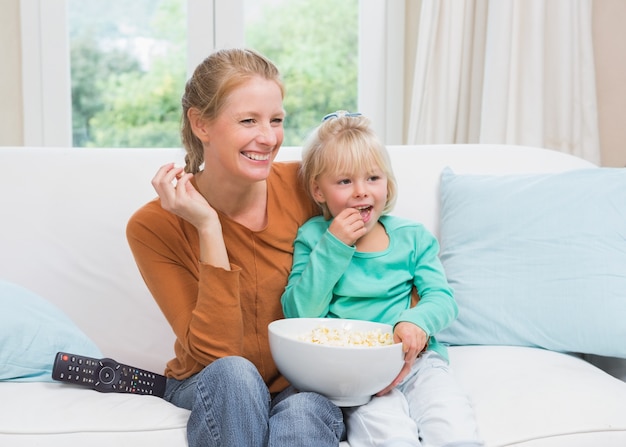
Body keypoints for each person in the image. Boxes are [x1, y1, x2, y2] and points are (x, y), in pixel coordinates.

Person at [126, 48, 345, 447]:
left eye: (276, 121)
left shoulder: (307, 186)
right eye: (248, 120)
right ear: (201, 124)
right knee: (235, 376)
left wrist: (411, 324)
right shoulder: (154, 225)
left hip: (297, 384)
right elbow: (218, 355)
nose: (268, 137)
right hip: (210, 383)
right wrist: (209, 226)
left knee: (305, 407)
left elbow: (386, 245)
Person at [281, 111, 483, 447]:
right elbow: (298, 313)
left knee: (453, 428)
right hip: (357, 377)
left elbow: (442, 299)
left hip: (416, 363)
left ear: (387, 183)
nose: (361, 192)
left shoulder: (412, 237)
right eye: (345, 182)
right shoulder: (314, 237)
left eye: (372, 178)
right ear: (318, 190)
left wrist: (415, 322)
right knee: (388, 437)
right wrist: (335, 245)